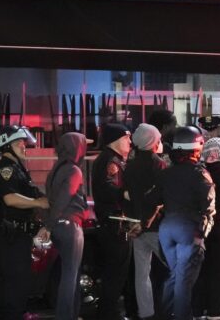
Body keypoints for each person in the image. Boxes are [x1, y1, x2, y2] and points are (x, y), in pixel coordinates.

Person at [155, 126, 216, 320]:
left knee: (175, 275)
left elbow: (155, 198)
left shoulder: (166, 173)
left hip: (167, 227)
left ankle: (165, 315)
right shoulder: (200, 173)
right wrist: (205, 227)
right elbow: (209, 204)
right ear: (196, 147)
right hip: (188, 228)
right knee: (184, 279)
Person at [0, 125, 49, 320]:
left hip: (19, 236)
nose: (24, 146)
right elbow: (10, 199)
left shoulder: (18, 169)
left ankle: (19, 313)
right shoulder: (6, 169)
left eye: (24, 142)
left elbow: (31, 196)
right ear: (6, 146)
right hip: (11, 237)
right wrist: (38, 202)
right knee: (15, 285)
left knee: (20, 283)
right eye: (18, 143)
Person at [125, 123, 168, 320]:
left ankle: (146, 313)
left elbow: (127, 195)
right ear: (152, 141)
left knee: (141, 274)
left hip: (135, 225)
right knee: (177, 266)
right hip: (155, 224)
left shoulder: (130, 165)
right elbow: (161, 196)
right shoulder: (158, 164)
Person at [46, 132, 91, 320]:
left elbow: (52, 199)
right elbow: (64, 199)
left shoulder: (55, 169)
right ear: (77, 147)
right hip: (70, 226)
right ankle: (65, 316)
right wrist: (48, 225)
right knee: (70, 276)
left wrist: (49, 225)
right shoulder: (74, 170)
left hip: (59, 226)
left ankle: (71, 314)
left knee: (69, 273)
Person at [91, 123, 133, 319]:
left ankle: (109, 312)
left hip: (115, 223)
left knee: (116, 273)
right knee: (115, 274)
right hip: (114, 224)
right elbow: (110, 190)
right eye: (127, 138)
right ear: (116, 140)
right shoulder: (110, 161)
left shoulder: (113, 159)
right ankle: (109, 313)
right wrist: (128, 194)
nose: (130, 142)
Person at [193, 137, 220, 319]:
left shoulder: (199, 171)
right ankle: (214, 308)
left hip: (201, 224)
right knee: (218, 269)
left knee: (201, 268)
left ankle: (198, 307)